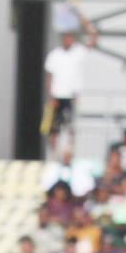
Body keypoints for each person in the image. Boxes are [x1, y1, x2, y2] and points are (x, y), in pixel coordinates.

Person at [44, 29, 88, 159]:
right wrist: (51, 95)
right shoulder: (55, 55)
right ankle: (53, 154)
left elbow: (93, 40)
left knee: (70, 126)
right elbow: (49, 76)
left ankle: (69, 153)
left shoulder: (78, 52)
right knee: (52, 127)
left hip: (71, 96)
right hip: (56, 96)